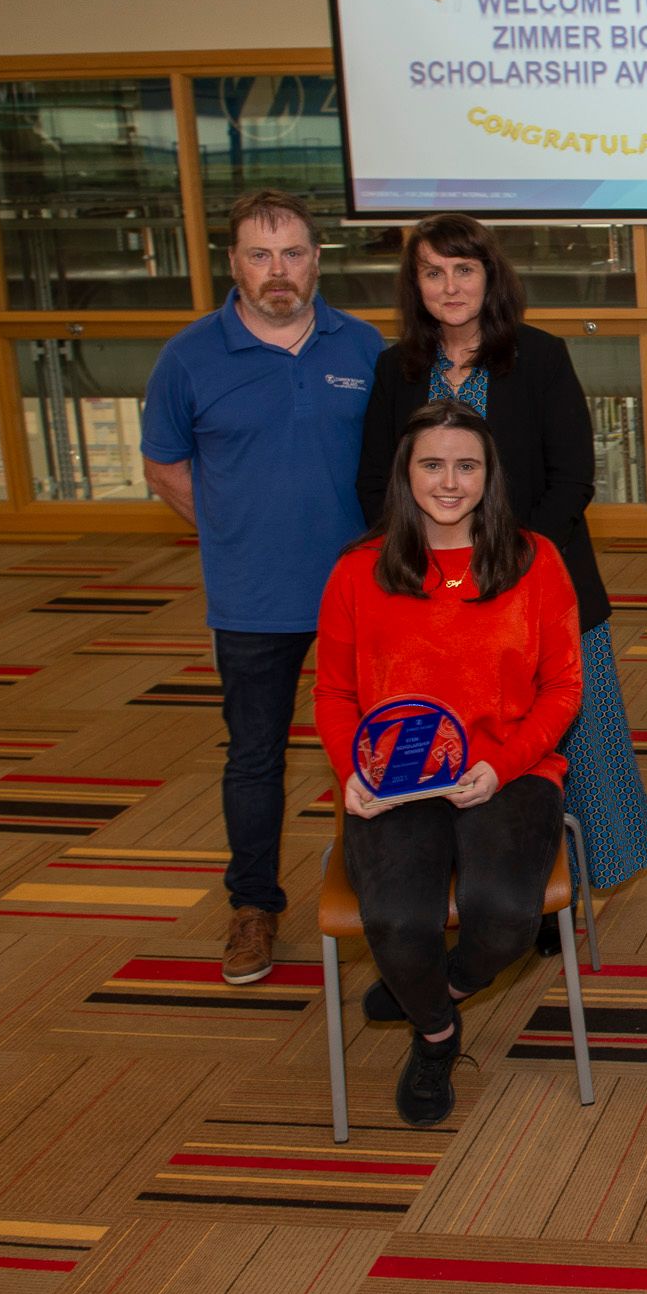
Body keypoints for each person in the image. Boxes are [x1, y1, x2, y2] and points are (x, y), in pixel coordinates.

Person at [356, 214, 647, 939]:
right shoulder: (395, 367)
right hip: (434, 606)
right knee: (456, 743)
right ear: (415, 285)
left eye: (464, 270)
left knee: (571, 749)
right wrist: (431, 575)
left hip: (544, 591)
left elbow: (572, 480)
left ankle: (561, 893)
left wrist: (513, 573)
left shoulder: (542, 357)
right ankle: (479, 888)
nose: (450, 286)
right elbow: (376, 485)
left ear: (490, 276)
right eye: (433, 272)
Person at [315, 401, 583, 1129]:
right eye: (432, 464)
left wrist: (502, 762)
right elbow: (335, 693)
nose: (450, 481)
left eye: (467, 465)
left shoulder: (535, 560)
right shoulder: (356, 572)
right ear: (406, 475)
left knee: (505, 918)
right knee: (400, 919)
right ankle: (435, 1032)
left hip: (507, 768)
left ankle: (435, 989)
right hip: (396, 777)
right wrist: (353, 771)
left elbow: (563, 689)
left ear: (489, 475)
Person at [142, 189, 383, 985]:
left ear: (316, 259)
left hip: (362, 593)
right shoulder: (188, 358)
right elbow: (164, 465)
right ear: (234, 263)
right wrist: (229, 530)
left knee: (382, 744)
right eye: (259, 254)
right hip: (251, 599)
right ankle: (254, 907)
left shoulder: (367, 349)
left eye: (292, 253)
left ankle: (388, 886)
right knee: (255, 756)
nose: (277, 272)